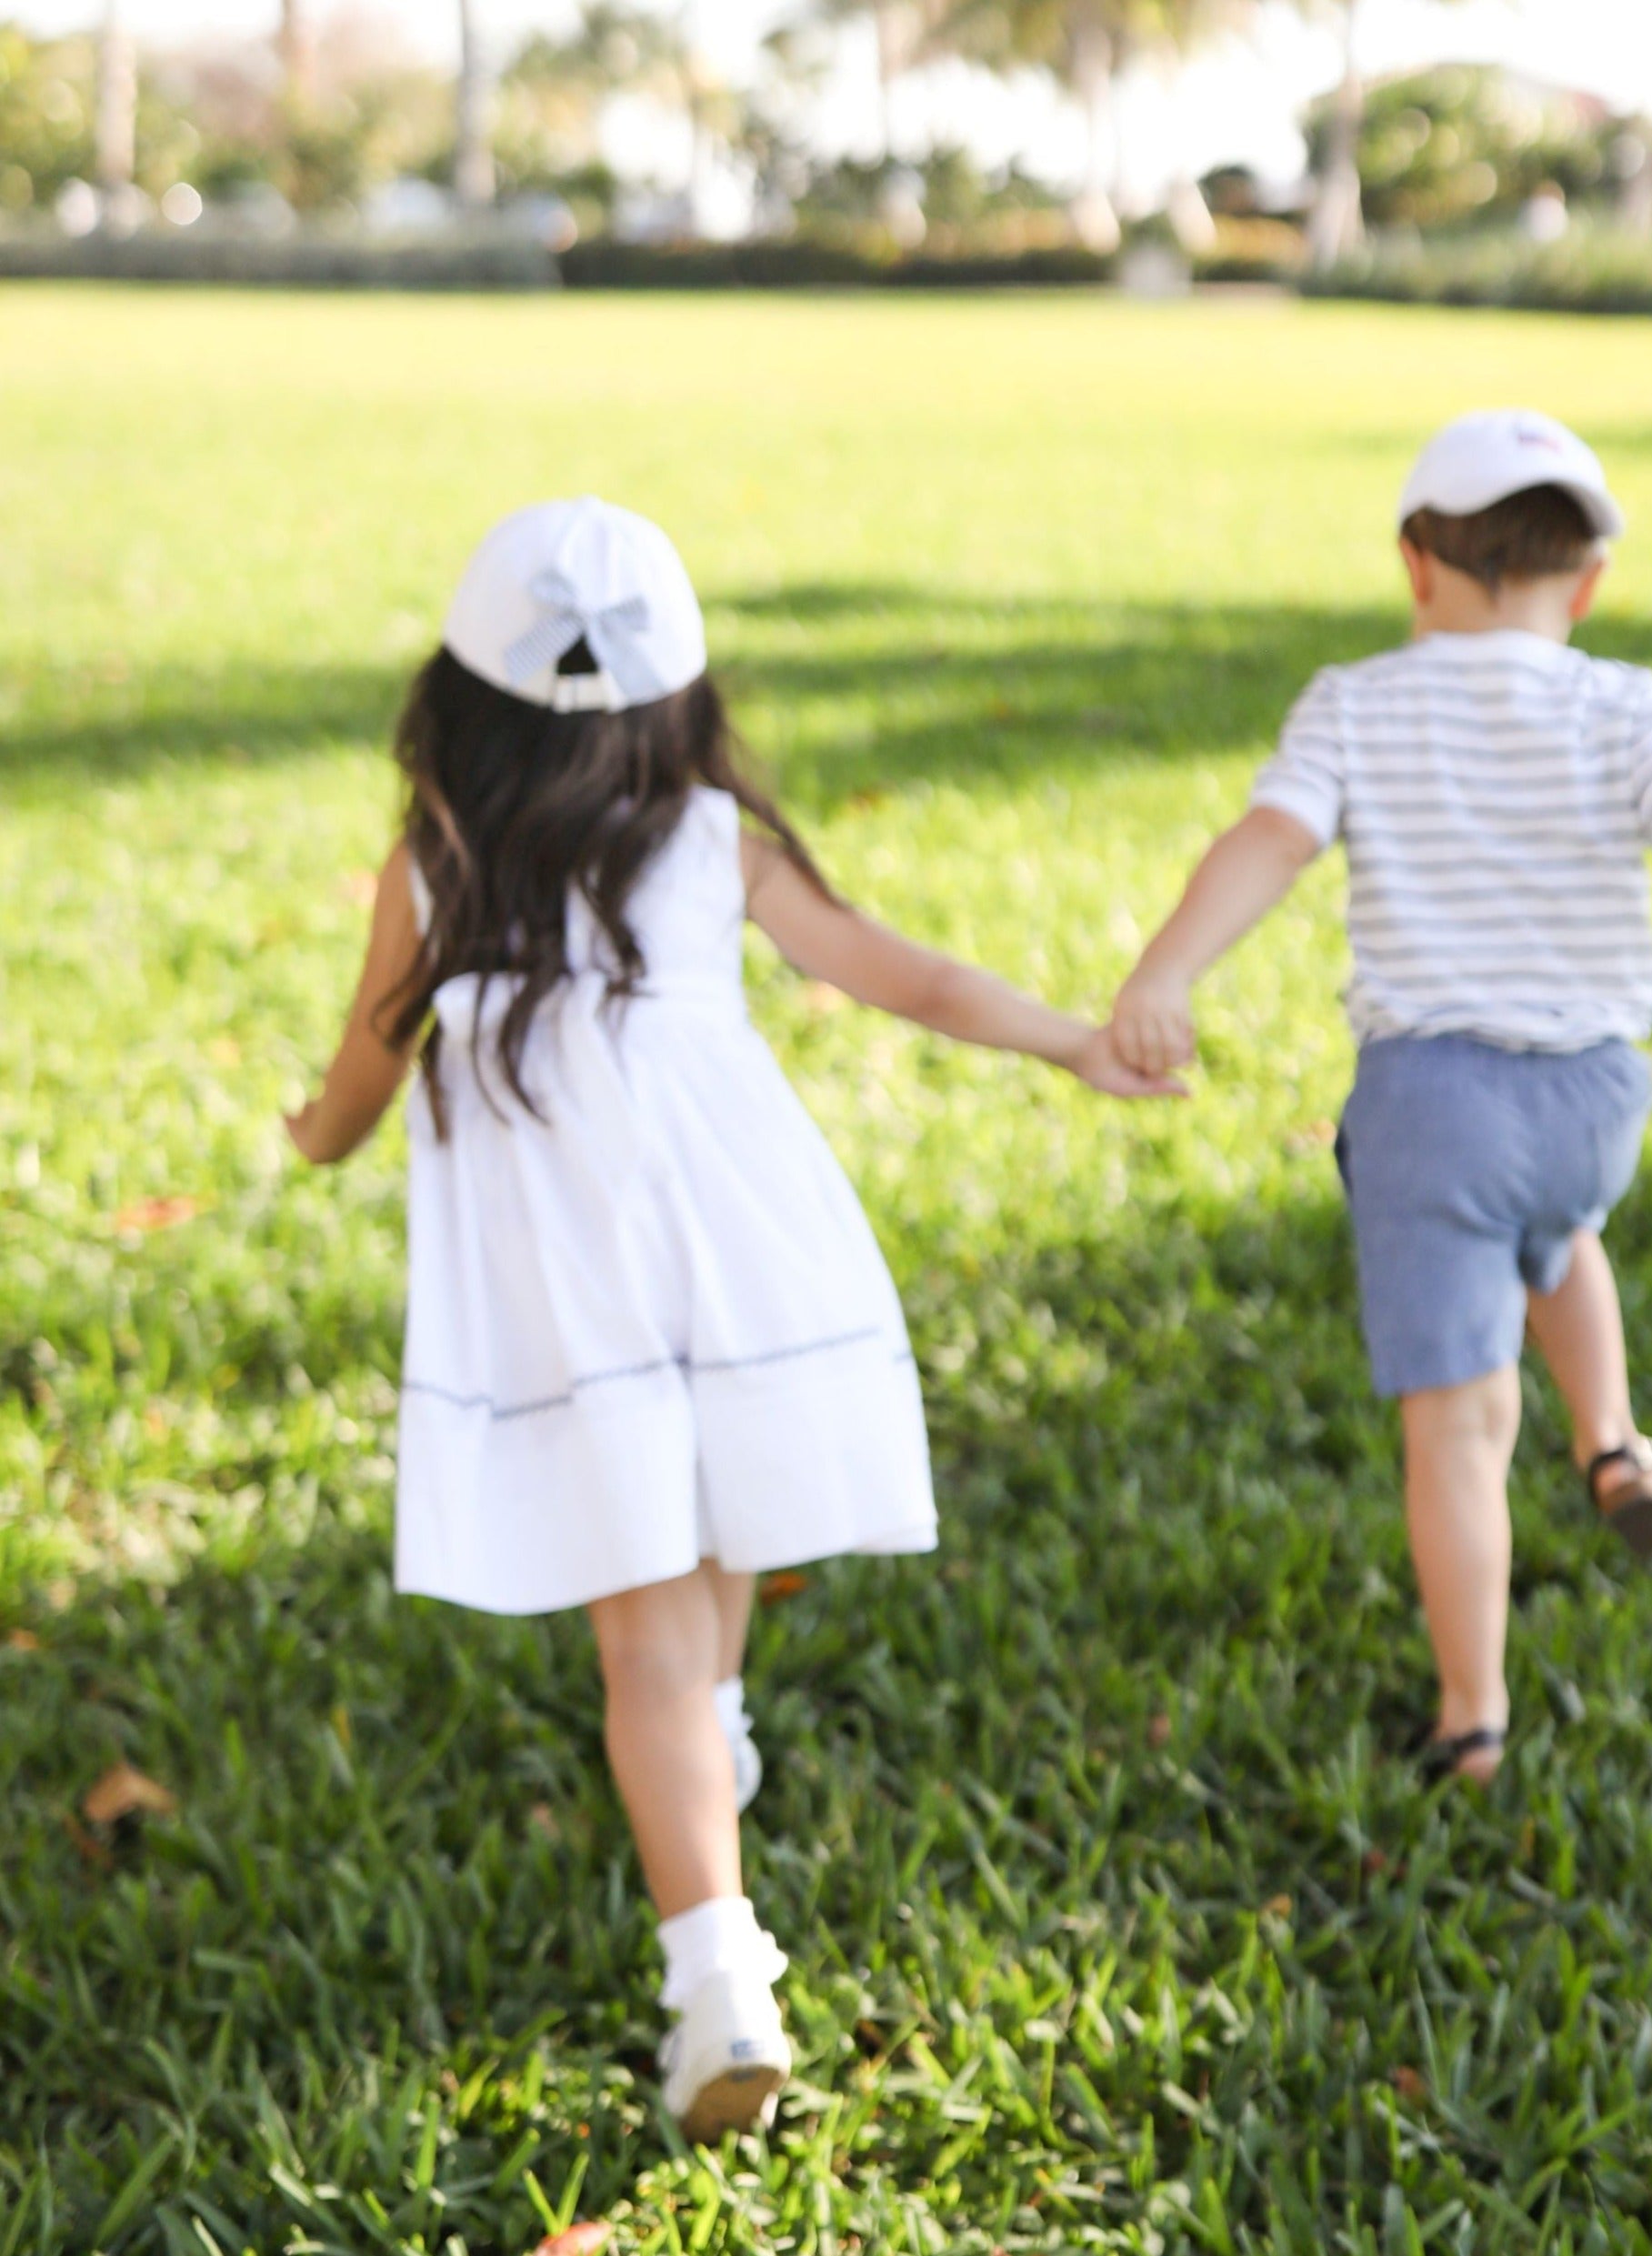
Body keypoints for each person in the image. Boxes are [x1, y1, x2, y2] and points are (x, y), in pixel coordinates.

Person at [285, 498, 1174, 2138]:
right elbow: (899, 973)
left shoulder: (439, 867)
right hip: (749, 1258)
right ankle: (716, 1743)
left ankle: (717, 1987)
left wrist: (312, 1139)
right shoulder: (710, 840)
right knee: (720, 1552)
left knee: (648, 1647)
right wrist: (1069, 1040)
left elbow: (364, 1062)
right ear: (680, 695)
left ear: (459, 697)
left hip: (576, 1302)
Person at [1106, 410, 1652, 1786]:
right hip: (1595, 1106)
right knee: (1559, 1231)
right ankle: (1615, 1443)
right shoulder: (1619, 702)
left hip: (1438, 1105)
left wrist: (1166, 971)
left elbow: (1269, 841)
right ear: (1588, 585)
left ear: (1416, 563)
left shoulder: (1357, 702)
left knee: (1461, 1425)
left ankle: (1473, 1715)